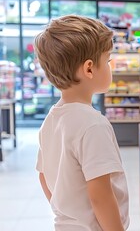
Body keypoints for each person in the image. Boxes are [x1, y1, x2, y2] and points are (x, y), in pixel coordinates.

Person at [34, 15, 129, 231]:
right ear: (89, 69)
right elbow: (100, 195)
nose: (109, 66)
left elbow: (43, 176)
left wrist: (69, 214)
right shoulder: (93, 125)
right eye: (107, 60)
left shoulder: (51, 119)